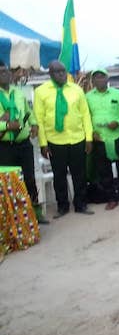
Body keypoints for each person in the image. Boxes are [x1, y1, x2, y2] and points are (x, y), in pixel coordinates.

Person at [33, 60, 94, 218]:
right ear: (50, 74)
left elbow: (85, 114)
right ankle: (62, 206)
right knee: (59, 176)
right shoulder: (40, 92)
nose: (62, 75)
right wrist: (43, 144)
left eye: (63, 71)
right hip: (55, 141)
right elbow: (39, 119)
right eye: (58, 72)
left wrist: (89, 138)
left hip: (77, 138)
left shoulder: (76, 89)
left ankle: (81, 204)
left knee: (79, 174)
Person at [0, 61, 48, 224]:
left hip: (24, 143)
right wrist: (6, 126)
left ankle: (35, 214)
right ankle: (15, 218)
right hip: (5, 146)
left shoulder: (18, 92)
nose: (4, 75)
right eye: (0, 72)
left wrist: (34, 124)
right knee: (10, 182)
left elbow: (29, 111)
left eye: (5, 71)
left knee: (29, 179)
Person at [86, 69, 119, 211]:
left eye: (102, 77)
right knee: (104, 171)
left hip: (117, 137)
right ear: (92, 81)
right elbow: (86, 117)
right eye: (96, 77)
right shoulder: (88, 97)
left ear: (107, 79)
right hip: (99, 139)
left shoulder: (118, 94)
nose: (99, 79)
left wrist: (118, 122)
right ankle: (111, 198)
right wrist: (91, 133)